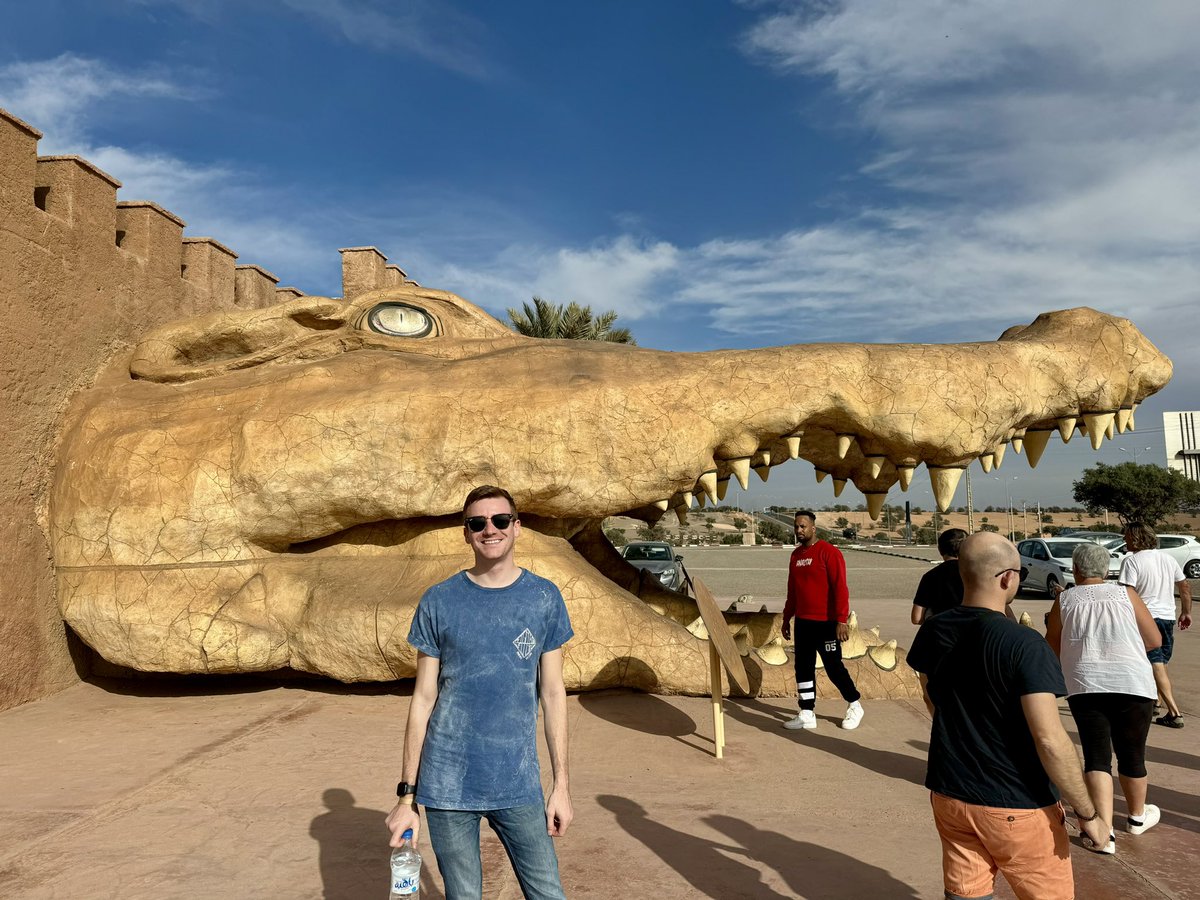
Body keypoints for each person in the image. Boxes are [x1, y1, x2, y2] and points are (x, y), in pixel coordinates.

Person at [385, 485, 574, 900]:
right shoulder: (439, 601)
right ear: (466, 533)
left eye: (501, 520)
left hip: (518, 782)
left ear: (517, 527)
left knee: (548, 893)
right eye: (478, 523)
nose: (491, 529)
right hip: (447, 786)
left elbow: (554, 693)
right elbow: (422, 700)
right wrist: (407, 797)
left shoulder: (544, 597)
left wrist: (560, 785)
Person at [908, 531, 1109, 900]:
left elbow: (930, 696)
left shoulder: (934, 630)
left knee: (966, 893)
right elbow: (1049, 739)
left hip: (950, 793)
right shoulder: (1023, 643)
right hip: (1016, 802)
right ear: (1008, 578)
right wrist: (1088, 813)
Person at [1045, 542, 1162, 854]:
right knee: (1133, 753)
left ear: (1077, 569)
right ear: (1106, 568)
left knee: (1097, 756)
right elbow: (1154, 640)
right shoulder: (1126, 594)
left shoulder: (1065, 599)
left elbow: (1051, 646)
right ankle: (1137, 817)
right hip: (1133, 684)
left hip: (1086, 685)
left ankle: (1104, 832)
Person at [780, 510, 864, 731]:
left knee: (833, 667)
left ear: (813, 528)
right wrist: (787, 617)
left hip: (826, 623)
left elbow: (840, 588)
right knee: (803, 667)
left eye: (803, 526)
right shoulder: (795, 556)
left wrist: (841, 620)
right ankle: (807, 712)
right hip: (803, 623)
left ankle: (854, 704)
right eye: (796, 526)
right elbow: (792, 591)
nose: (799, 530)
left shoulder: (829, 553)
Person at [1118, 522, 1193, 728]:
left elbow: (1127, 593)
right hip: (1167, 617)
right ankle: (1156, 702)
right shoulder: (1168, 559)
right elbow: (1184, 586)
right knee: (1161, 662)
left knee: (1155, 664)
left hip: (1145, 618)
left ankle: (1175, 712)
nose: (1124, 540)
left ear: (1135, 538)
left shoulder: (1132, 562)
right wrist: (1186, 611)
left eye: (1127, 537)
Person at [910, 527, 968, 625]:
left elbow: (916, 618)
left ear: (940, 550)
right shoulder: (975, 573)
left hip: (940, 634)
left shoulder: (929, 576)